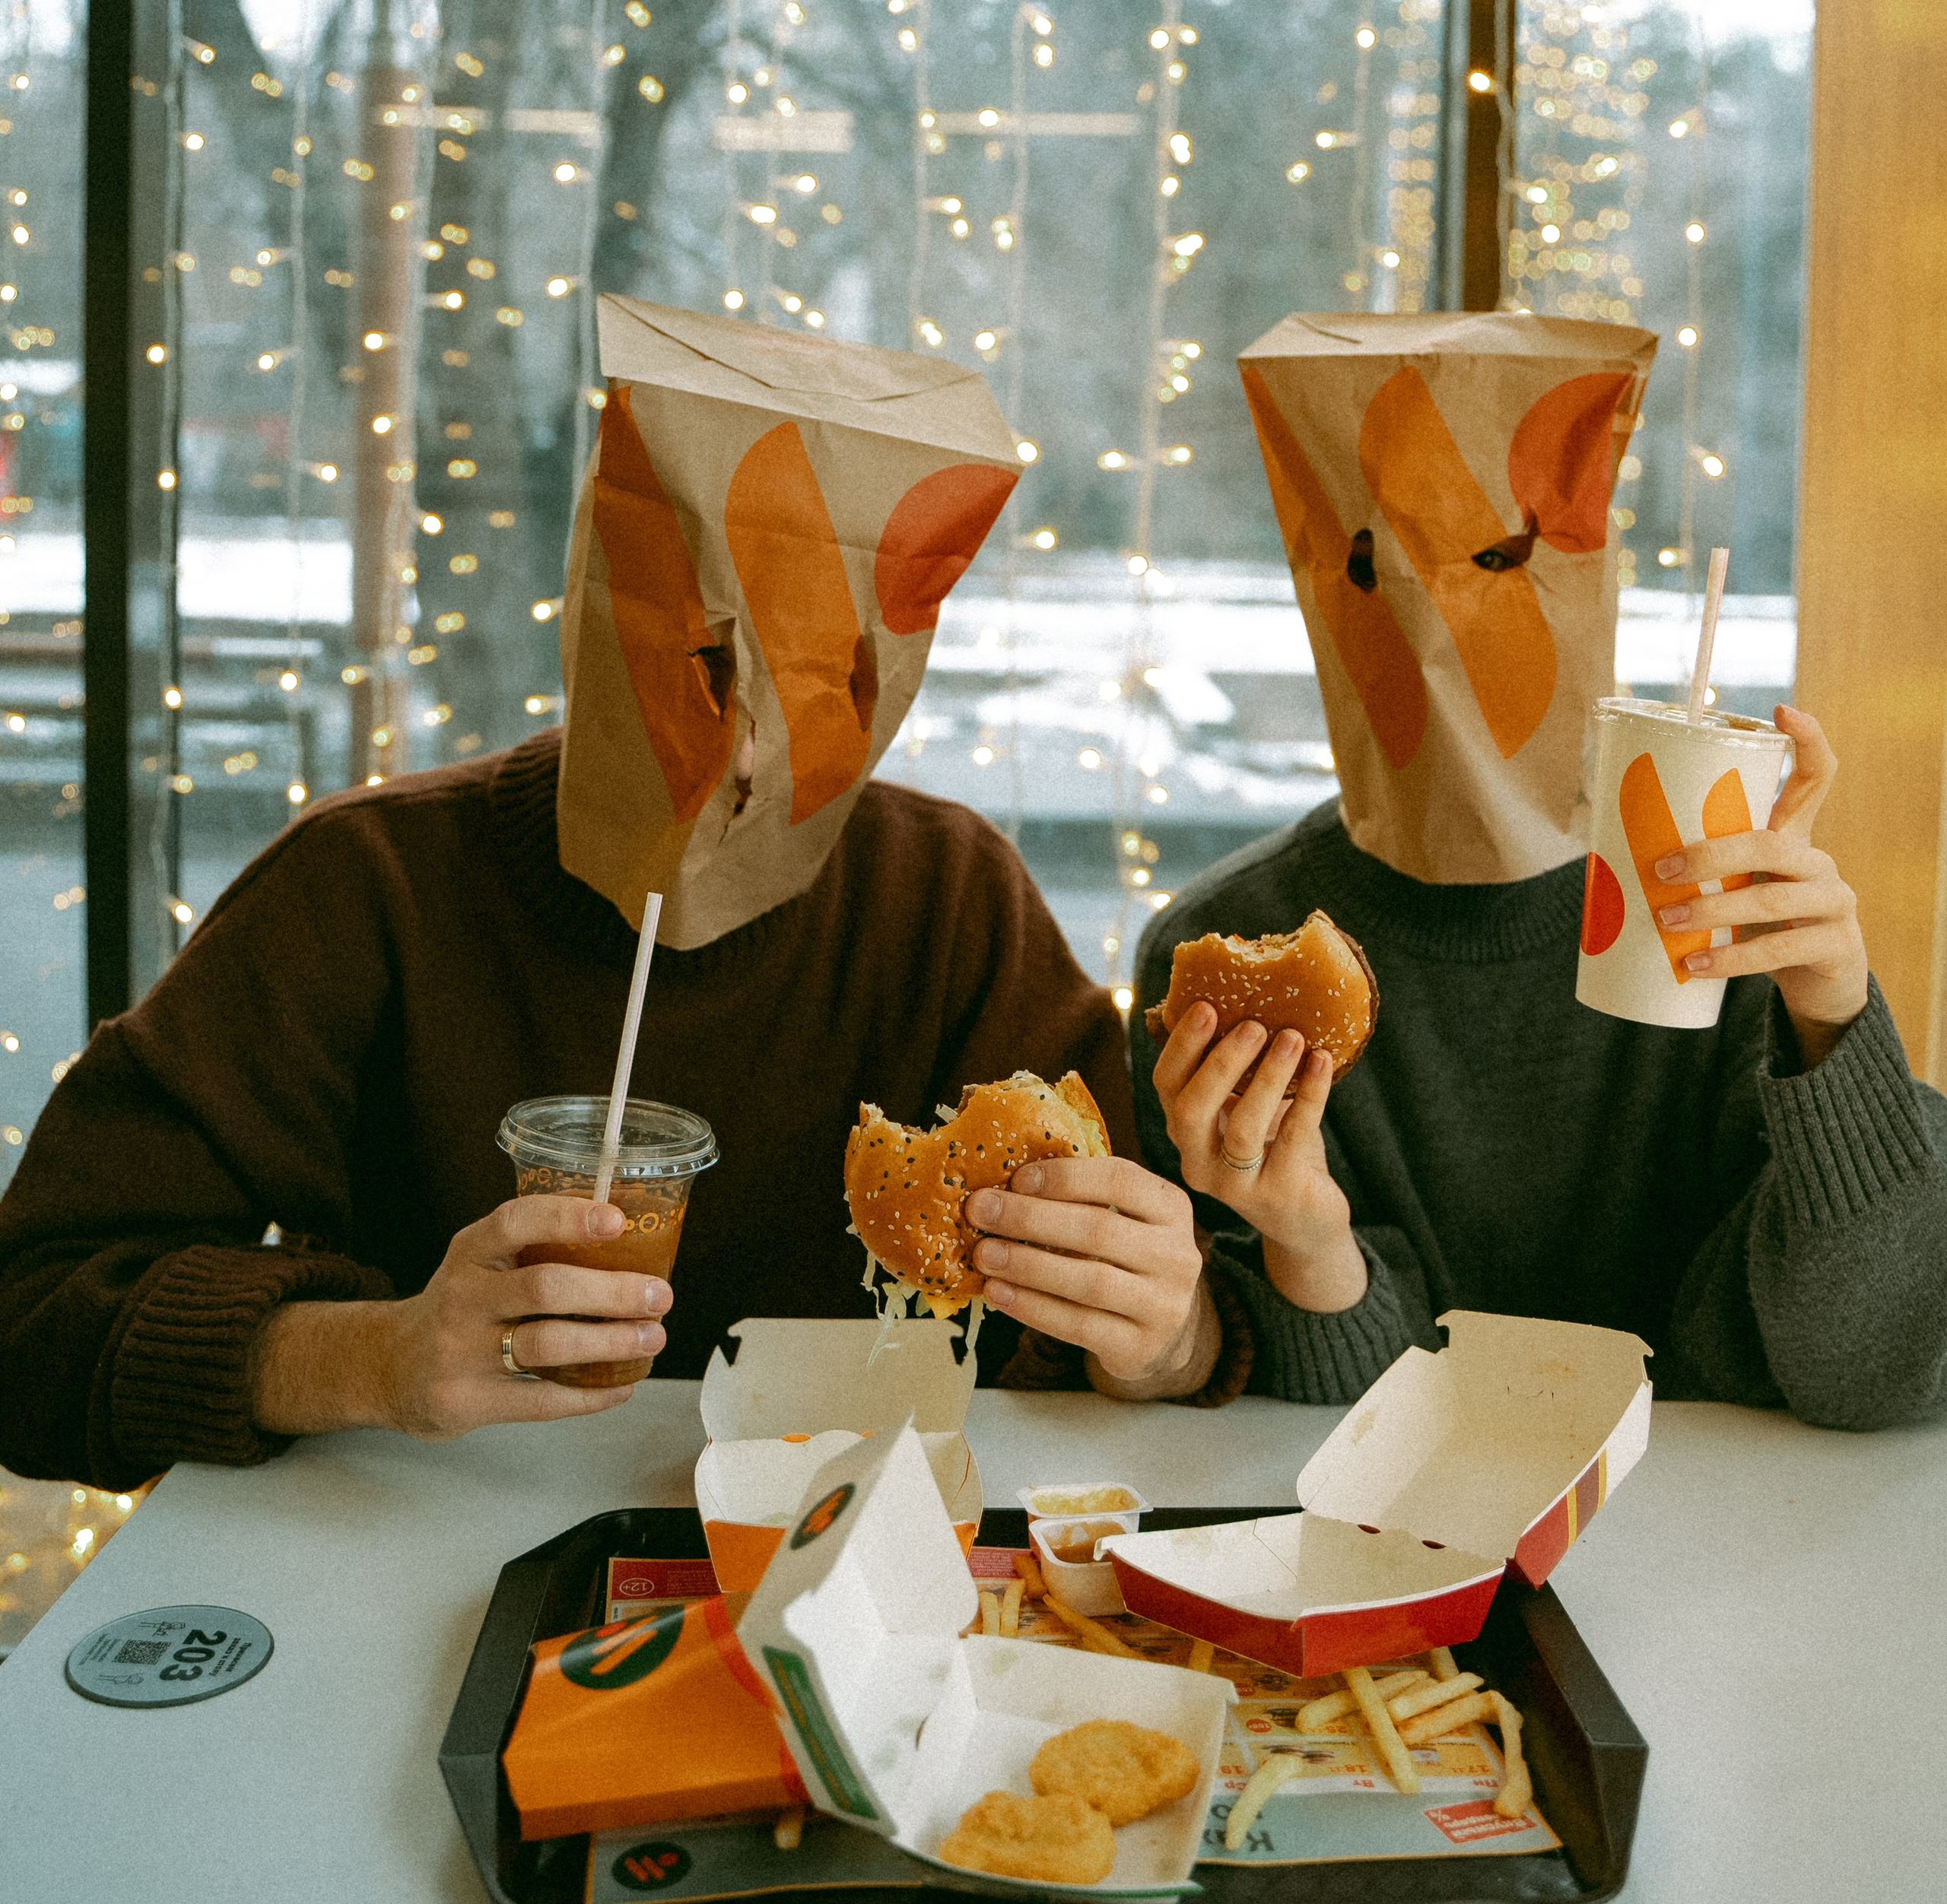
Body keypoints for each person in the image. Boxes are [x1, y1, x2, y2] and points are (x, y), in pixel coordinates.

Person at [0, 304, 1210, 1489]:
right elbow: (27, 1323)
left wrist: (1155, 1334)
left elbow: (1110, 1373)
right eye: (699, 663)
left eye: (829, 681)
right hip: (418, 1554)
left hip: (869, 1559)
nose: (747, 754)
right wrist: (372, 1357)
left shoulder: (950, 906)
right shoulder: (369, 887)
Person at [1059, 311, 1947, 1430]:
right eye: (1368, 566)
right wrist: (1308, 1238)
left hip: (1720, 1561)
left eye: (1497, 558)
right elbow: (1309, 1427)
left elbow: (1877, 1368)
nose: (1429, 613)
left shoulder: (1735, 930)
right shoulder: (1228, 952)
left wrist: (1833, 1024)